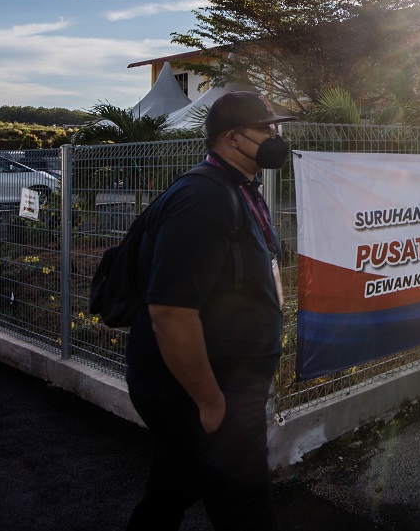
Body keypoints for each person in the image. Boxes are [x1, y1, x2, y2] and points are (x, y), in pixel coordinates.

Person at [125, 91, 297, 530]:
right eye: (266, 129)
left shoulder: (235, 187)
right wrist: (211, 401)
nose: (275, 137)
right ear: (233, 137)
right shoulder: (204, 199)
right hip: (204, 391)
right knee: (247, 510)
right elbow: (170, 313)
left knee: (170, 491)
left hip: (217, 384)